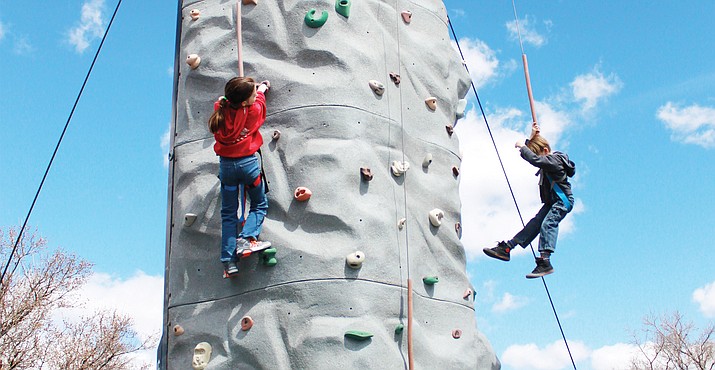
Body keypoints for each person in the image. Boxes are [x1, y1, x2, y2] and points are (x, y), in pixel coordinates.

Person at [483, 122, 575, 278]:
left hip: (562, 201)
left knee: (548, 224)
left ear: (546, 151)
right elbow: (536, 156)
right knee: (534, 224)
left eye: (539, 154)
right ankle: (508, 248)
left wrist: (522, 146)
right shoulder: (547, 160)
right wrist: (531, 137)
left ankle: (545, 261)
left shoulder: (556, 160)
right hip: (553, 202)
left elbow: (535, 159)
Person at [209, 76, 272, 277]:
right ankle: (246, 238)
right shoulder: (252, 110)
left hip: (226, 167)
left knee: (228, 215)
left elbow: (223, 101)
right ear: (244, 102)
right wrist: (262, 88)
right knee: (259, 204)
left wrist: (250, 89)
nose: (255, 95)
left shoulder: (220, 109)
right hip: (248, 165)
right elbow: (260, 102)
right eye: (251, 94)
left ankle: (229, 261)